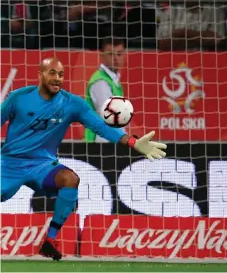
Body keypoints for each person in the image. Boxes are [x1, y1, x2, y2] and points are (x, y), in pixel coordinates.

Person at [1, 57, 167, 261]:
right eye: (52, 73)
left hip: (43, 165)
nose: (57, 79)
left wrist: (132, 142)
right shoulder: (19, 97)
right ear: (40, 75)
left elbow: (101, 127)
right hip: (10, 163)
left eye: (61, 74)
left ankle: (50, 240)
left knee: (70, 180)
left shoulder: (72, 104)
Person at [85, 37, 125, 142]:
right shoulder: (100, 82)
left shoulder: (114, 80)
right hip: (99, 144)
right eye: (111, 54)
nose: (116, 58)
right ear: (102, 55)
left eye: (119, 54)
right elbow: (109, 118)